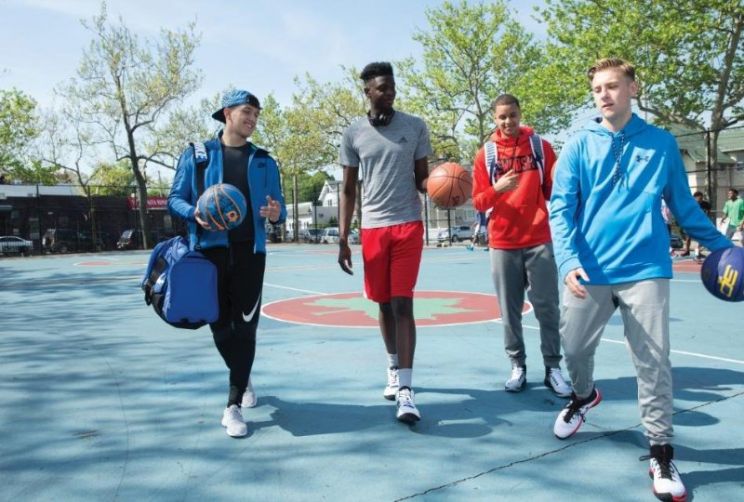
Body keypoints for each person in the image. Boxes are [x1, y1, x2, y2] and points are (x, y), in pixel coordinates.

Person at [549, 58, 733, 502]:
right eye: (598, 89)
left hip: (645, 268)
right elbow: (561, 208)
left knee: (653, 361)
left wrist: (726, 249)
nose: (604, 94)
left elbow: (684, 208)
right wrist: (567, 260)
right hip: (589, 270)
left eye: (613, 86)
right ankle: (583, 396)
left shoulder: (662, 143)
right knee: (573, 350)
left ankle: (661, 450)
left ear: (632, 88)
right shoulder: (578, 145)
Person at [168, 89, 286, 438]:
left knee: (245, 328)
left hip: (251, 253)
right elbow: (175, 198)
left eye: (256, 115)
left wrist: (276, 213)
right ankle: (242, 374)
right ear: (227, 113)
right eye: (247, 112)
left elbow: (279, 207)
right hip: (209, 254)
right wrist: (194, 212)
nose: (252, 119)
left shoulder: (264, 161)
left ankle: (232, 405)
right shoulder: (198, 155)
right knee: (220, 326)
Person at [338, 62, 432, 424]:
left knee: (403, 303)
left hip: (408, 224)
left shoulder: (415, 126)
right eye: (382, 88)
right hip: (373, 228)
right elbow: (348, 189)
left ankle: (406, 389)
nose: (389, 93)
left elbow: (423, 179)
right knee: (383, 303)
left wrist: (443, 186)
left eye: (392, 87)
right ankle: (393, 366)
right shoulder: (353, 133)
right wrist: (343, 237)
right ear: (367, 92)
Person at [471, 94, 571, 397]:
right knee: (510, 310)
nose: (508, 121)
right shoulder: (485, 155)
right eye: (502, 117)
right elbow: (478, 201)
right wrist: (497, 189)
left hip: (539, 238)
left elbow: (555, 190)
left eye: (512, 115)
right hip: (503, 241)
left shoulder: (541, 147)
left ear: (520, 113)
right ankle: (517, 365)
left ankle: (553, 368)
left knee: (548, 308)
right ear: (495, 119)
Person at [681, 191, 712, 259]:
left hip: (701, 223)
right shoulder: (690, 204)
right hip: (691, 222)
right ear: (694, 198)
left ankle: (698, 252)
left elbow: (709, 212)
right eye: (699, 198)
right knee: (688, 237)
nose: (700, 200)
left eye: (701, 198)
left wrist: (706, 219)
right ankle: (687, 250)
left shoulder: (705, 204)